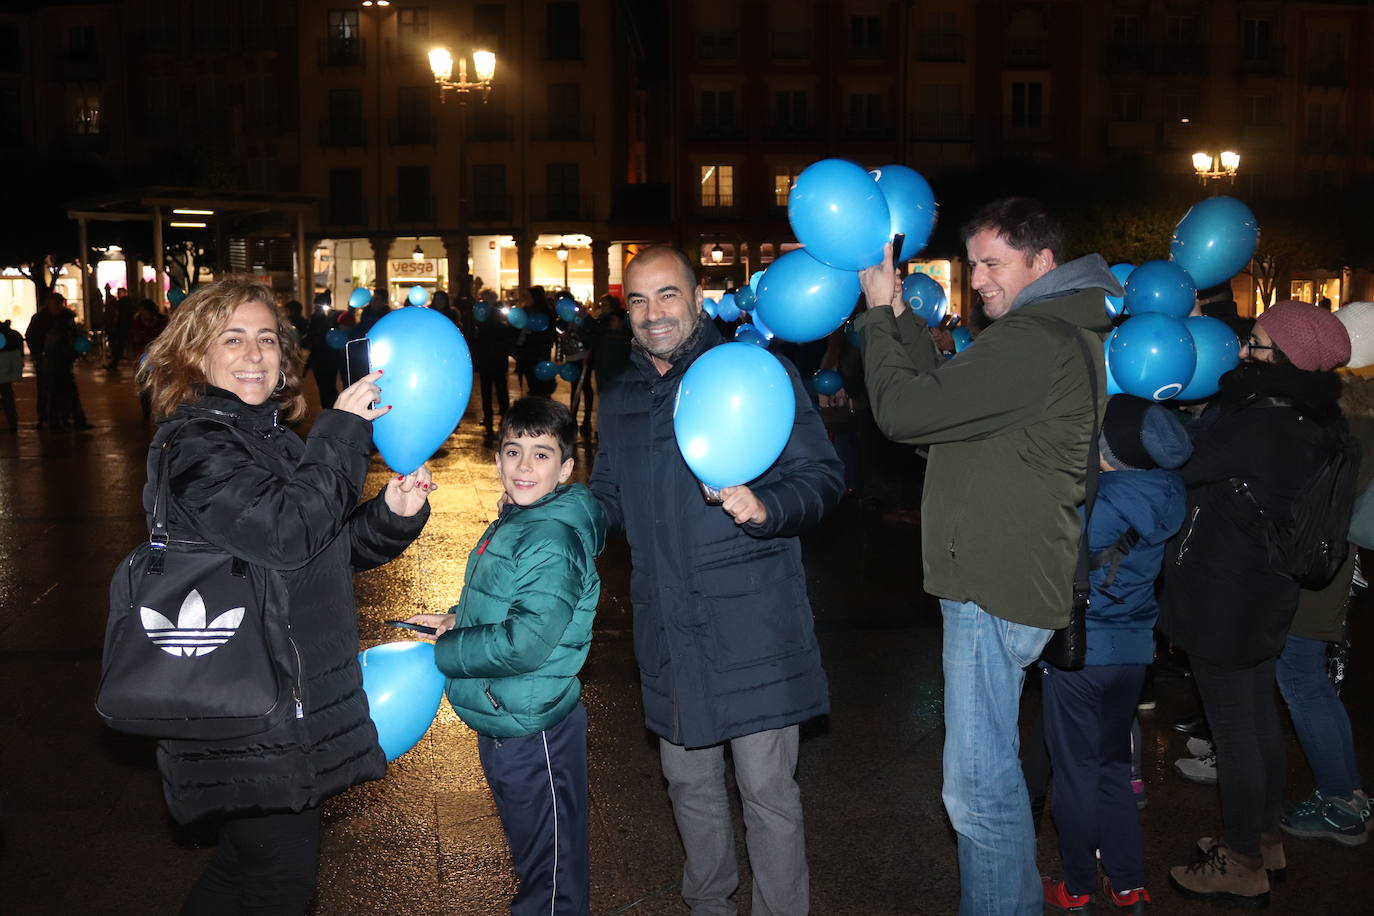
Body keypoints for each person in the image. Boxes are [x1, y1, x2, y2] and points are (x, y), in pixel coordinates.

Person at [854, 197, 1121, 915]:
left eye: (993, 263)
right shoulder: (1052, 333)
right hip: (1004, 575)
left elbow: (905, 413)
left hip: (992, 586)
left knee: (978, 791)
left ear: (1044, 263)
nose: (978, 280)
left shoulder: (1035, 339)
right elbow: (938, 416)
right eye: (972, 264)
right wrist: (906, 326)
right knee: (988, 779)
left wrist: (879, 317)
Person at [136, 277, 434, 914]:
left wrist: (391, 513)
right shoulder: (196, 446)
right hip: (247, 702)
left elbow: (323, 548)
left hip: (278, 699)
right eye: (233, 339)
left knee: (245, 870)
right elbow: (288, 534)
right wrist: (343, 431)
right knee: (280, 883)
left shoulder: (266, 438)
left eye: (266, 339)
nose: (254, 354)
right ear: (197, 356)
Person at [590, 246, 843, 915]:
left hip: (754, 621)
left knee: (767, 793)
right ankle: (709, 906)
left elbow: (822, 478)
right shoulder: (619, 396)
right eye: (638, 301)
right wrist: (552, 512)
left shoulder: (753, 374)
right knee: (688, 785)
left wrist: (767, 507)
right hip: (668, 624)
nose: (653, 314)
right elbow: (607, 501)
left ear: (699, 296)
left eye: (667, 295)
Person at [1159, 301, 1351, 906]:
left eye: (1257, 344)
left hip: (1227, 594)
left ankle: (1241, 861)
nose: (1243, 352)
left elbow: (1177, 458)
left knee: (1236, 729)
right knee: (1259, 719)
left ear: (1287, 358)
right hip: (1269, 591)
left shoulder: (1260, 422)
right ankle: (1265, 838)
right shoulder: (1318, 416)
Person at [407, 396, 604, 915]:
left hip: (533, 728)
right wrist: (456, 618)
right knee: (535, 855)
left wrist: (449, 649)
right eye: (513, 451)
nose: (523, 466)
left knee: (551, 874)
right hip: (505, 715)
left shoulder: (551, 537)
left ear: (565, 469)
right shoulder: (520, 519)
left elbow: (526, 641)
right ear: (496, 459)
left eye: (542, 455)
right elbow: (508, 599)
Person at [1039, 395, 1192, 915]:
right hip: (1133, 653)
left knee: (1075, 771)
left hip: (1081, 654)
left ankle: (1077, 885)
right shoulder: (1166, 490)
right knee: (1112, 765)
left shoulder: (1094, 504)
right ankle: (1129, 883)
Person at [473, 288, 513, 432]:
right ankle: (490, 416)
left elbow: (502, 333)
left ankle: (502, 416)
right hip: (489, 357)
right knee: (488, 390)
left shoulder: (496, 314)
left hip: (495, 356)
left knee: (498, 389)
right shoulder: (482, 314)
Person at [127, 299, 168, 420]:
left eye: (145, 311)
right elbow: (132, 338)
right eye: (142, 311)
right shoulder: (137, 322)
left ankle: (163, 411)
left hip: (159, 357)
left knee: (162, 384)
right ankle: (146, 411)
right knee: (143, 384)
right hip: (142, 357)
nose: (144, 313)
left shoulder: (162, 321)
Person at [0, 319, 23, 430]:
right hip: (5, 368)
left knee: (6, 393)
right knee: (7, 393)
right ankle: (12, 420)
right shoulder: (9, 333)